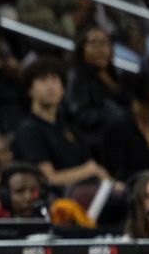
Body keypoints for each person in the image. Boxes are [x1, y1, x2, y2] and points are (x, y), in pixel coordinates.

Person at [13, 57, 113, 191]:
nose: (50, 86)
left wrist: (108, 182)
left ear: (63, 89)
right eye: (43, 80)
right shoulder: (29, 129)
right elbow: (48, 179)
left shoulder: (67, 123)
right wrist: (90, 170)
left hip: (86, 191)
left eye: (54, 79)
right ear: (29, 90)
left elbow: (90, 163)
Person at [64, 24, 130, 146]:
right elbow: (79, 114)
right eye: (94, 43)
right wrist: (110, 113)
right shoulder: (76, 76)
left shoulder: (117, 76)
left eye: (105, 43)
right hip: (93, 140)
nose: (100, 49)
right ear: (81, 48)